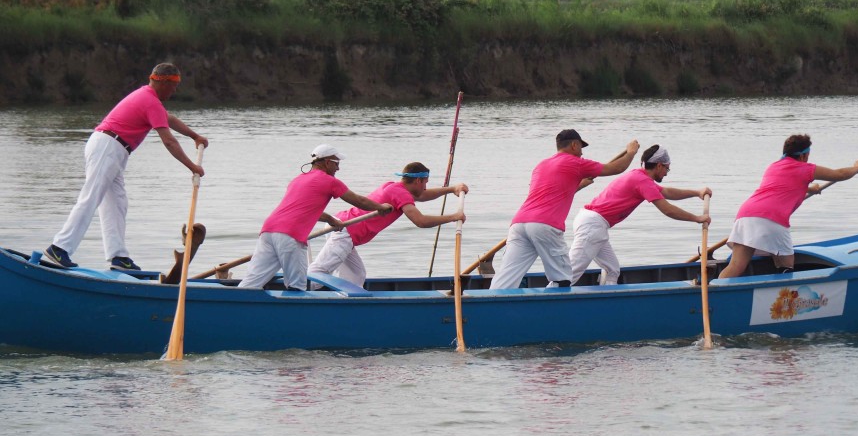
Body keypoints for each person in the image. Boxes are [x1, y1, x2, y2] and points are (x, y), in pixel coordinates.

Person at [45, 63, 208, 271]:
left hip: (114, 149)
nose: (175, 89)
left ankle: (118, 257)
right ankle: (59, 248)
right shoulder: (149, 100)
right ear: (163, 81)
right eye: (174, 84)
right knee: (91, 197)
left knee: (117, 204)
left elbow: (170, 120)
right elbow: (169, 141)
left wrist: (194, 136)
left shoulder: (149, 99)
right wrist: (192, 166)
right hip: (108, 147)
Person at [489, 129, 640, 290]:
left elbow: (553, 194)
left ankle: (490, 305)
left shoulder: (541, 165)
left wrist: (579, 182)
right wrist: (630, 153)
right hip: (545, 225)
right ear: (574, 145)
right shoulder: (576, 163)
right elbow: (616, 168)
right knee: (562, 279)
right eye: (581, 148)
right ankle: (551, 310)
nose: (582, 153)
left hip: (519, 224)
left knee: (506, 277)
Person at [237, 145, 393, 291]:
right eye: (336, 163)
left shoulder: (298, 179)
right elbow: (359, 201)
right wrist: (381, 207)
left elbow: (304, 209)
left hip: (268, 231)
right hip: (290, 235)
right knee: (297, 285)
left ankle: (234, 308)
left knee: (252, 282)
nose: (338, 168)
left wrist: (331, 220)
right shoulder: (330, 181)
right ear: (326, 162)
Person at [717, 134, 858, 279]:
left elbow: (780, 186)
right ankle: (780, 298)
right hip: (771, 219)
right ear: (803, 156)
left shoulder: (773, 167)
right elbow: (839, 174)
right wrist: (857, 167)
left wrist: (809, 188)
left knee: (735, 266)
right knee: (786, 265)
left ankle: (715, 292)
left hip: (745, 215)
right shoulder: (806, 169)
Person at [567, 144, 712, 285]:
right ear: (659, 165)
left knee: (613, 271)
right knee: (568, 275)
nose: (667, 172)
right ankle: (548, 302)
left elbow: (666, 192)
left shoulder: (640, 176)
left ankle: (607, 302)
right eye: (667, 168)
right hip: (592, 225)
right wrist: (697, 218)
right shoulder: (642, 181)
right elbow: (668, 210)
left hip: (593, 223)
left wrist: (697, 192)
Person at [308, 162, 469, 286]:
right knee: (319, 271)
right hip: (345, 231)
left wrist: (451, 189)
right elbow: (420, 221)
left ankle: (346, 306)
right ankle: (300, 298)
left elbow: (423, 195)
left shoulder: (394, 187)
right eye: (425, 182)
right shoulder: (400, 193)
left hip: (341, 225)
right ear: (418, 180)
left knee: (356, 275)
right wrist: (453, 217)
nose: (425, 187)